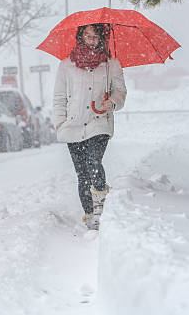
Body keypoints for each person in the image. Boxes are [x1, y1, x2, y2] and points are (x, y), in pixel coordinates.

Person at [52, 23, 127, 230]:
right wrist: (60, 123)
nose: (91, 40)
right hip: (73, 126)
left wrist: (112, 102)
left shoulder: (111, 64)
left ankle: (101, 208)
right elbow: (59, 98)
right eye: (87, 35)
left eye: (95, 36)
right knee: (82, 174)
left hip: (98, 123)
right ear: (80, 36)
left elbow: (120, 92)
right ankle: (89, 216)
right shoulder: (66, 65)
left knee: (94, 162)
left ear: (101, 38)